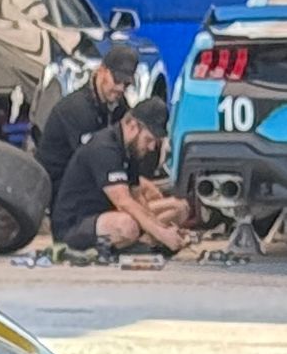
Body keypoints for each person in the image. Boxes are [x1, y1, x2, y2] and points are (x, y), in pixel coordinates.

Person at [51, 97, 195, 259]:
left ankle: (142, 243)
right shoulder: (104, 148)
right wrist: (161, 233)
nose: (151, 147)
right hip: (76, 224)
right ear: (133, 126)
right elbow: (124, 202)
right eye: (148, 139)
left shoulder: (130, 150)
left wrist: (163, 227)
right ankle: (113, 247)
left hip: (108, 214)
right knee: (127, 225)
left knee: (179, 208)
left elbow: (138, 199)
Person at [32, 33, 149, 192]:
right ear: (102, 71)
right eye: (117, 80)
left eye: (126, 84)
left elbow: (126, 146)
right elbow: (93, 160)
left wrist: (135, 182)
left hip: (87, 185)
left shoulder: (118, 106)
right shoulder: (77, 108)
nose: (121, 88)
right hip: (57, 189)